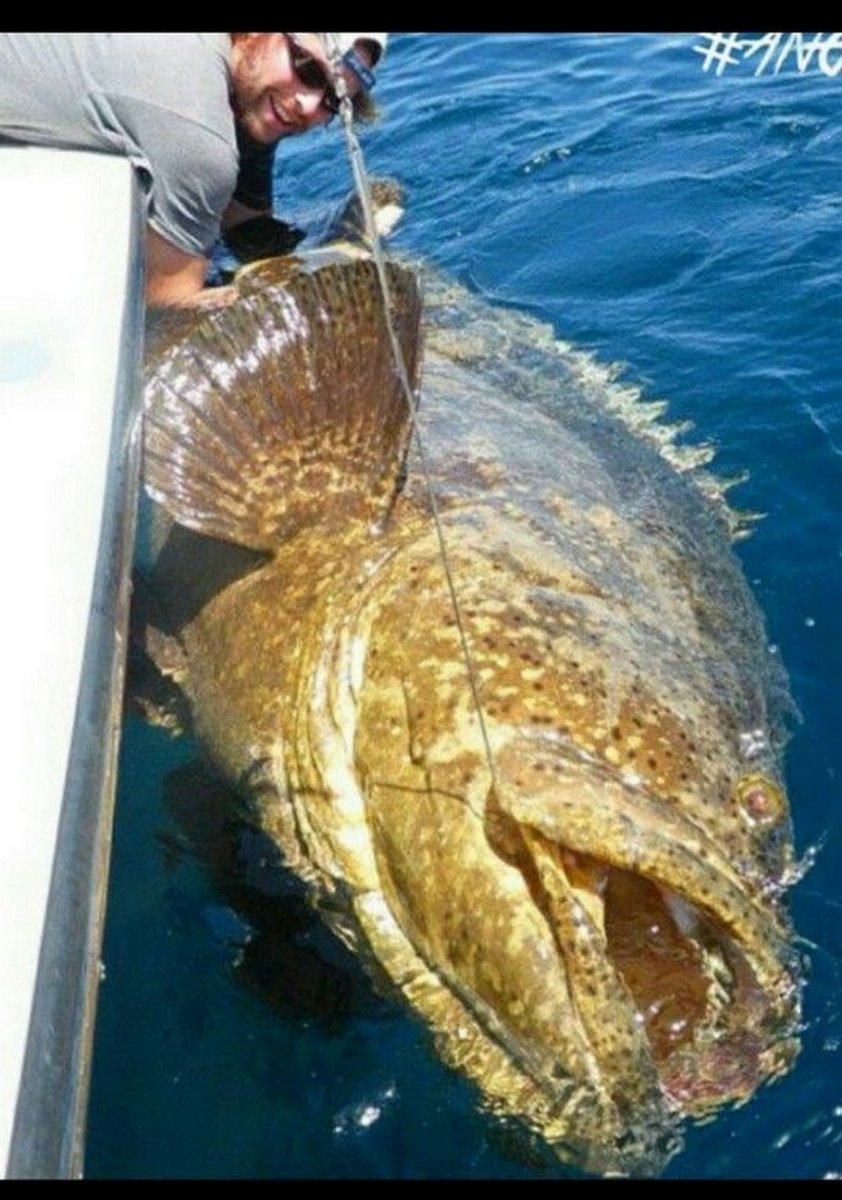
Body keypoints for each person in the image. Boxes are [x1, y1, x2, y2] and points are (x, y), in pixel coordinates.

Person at [0, 33, 387, 307]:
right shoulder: (201, 132)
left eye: (333, 101)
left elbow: (247, 229)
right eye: (308, 71)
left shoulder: (247, 88)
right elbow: (166, 320)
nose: (307, 104)